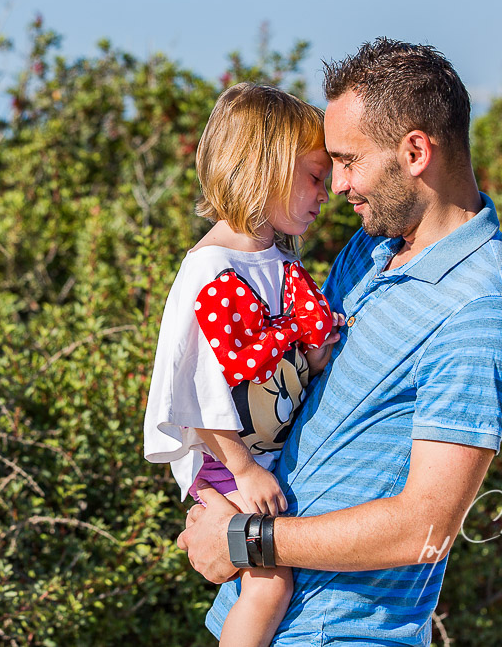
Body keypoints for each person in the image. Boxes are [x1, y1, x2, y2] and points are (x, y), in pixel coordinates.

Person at [178, 39, 502, 646]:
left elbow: (424, 527)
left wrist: (244, 538)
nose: (338, 183)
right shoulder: (373, 248)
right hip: (260, 619)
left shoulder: (484, 306)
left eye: (349, 160)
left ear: (416, 151)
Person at [143, 82, 345, 647]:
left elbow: (275, 354)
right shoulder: (210, 270)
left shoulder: (275, 260)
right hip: (227, 461)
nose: (324, 193)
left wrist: (312, 353)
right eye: (312, 177)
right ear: (266, 169)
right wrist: (244, 470)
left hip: (263, 453)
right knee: (269, 582)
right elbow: (196, 393)